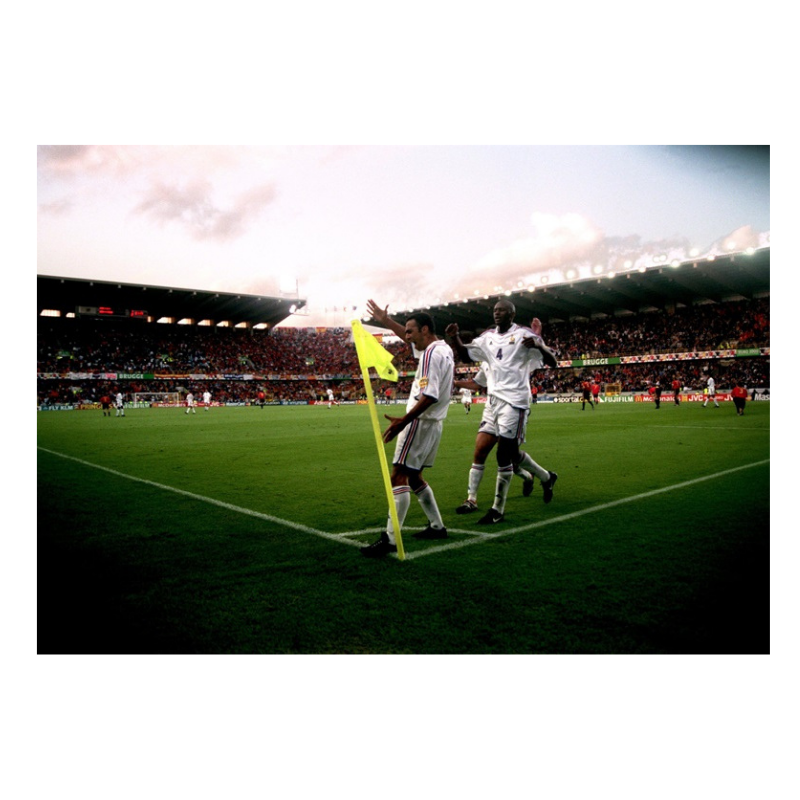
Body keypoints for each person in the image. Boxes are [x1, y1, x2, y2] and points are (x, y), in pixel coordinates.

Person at [446, 299, 558, 524]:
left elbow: (552, 362)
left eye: (502, 311)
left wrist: (538, 345)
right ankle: (545, 477)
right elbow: (467, 356)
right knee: (486, 452)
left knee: (504, 455)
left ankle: (498, 509)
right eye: (495, 310)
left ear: (512, 314)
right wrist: (455, 338)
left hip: (515, 402)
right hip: (493, 404)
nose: (497, 314)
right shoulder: (487, 338)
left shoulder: (524, 336)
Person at [361, 300, 455, 557]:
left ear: (425, 330)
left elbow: (430, 394)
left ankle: (390, 539)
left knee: (398, 477)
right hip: (433, 424)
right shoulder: (443, 349)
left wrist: (405, 420)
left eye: (411, 331)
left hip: (419, 422)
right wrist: (384, 320)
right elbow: (406, 337)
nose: (407, 336)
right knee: (414, 477)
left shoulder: (430, 354)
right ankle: (437, 526)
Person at [453, 368, 542, 510]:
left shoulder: (513, 353)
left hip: (512, 407)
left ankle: (528, 477)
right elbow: (477, 383)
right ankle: (471, 499)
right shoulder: (487, 356)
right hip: (492, 408)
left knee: (509, 458)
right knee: (480, 451)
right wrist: (455, 382)